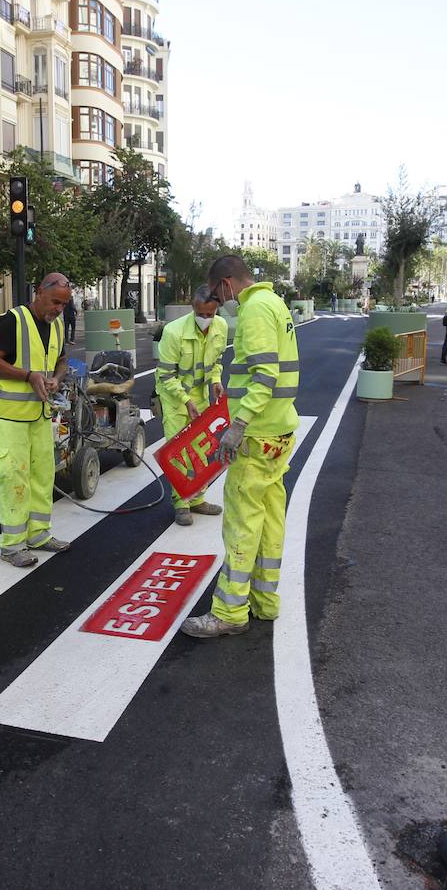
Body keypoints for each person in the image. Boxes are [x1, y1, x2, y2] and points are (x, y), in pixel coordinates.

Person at [181, 255, 299, 639]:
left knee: (241, 525)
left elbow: (264, 376)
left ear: (227, 284)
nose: (219, 301)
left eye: (218, 293)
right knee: (270, 520)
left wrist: (239, 424)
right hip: (279, 433)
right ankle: (264, 602)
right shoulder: (277, 304)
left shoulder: (254, 311)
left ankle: (230, 613)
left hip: (257, 436)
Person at [0, 273, 73, 568]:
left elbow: (61, 359)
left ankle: (39, 535)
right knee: (14, 476)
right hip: (9, 417)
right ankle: (12, 545)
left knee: (42, 475)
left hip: (40, 414)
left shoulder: (56, 325)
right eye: (55, 302)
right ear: (39, 293)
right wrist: (29, 376)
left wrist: (57, 379)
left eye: (64, 304)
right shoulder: (13, 321)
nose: (59, 309)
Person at [155, 285, 228, 526]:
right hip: (175, 397)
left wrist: (216, 381)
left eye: (211, 314)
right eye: (202, 314)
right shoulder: (173, 332)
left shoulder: (221, 328)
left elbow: (217, 360)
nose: (206, 319)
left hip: (200, 395)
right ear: (193, 308)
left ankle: (198, 499)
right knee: (179, 452)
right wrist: (185, 401)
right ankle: (181, 503)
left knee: (200, 449)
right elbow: (165, 375)